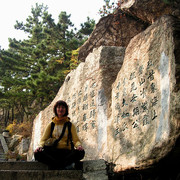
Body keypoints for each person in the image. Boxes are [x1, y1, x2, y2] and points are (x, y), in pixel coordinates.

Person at [34, 100, 85, 170]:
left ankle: (55, 165)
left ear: (66, 110)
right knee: (37, 154)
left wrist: (79, 146)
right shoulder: (51, 124)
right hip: (53, 152)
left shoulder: (70, 125)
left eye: (63, 108)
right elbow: (43, 139)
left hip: (66, 152)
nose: (60, 109)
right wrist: (40, 147)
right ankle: (65, 165)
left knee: (81, 152)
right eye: (59, 107)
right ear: (55, 110)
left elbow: (76, 140)